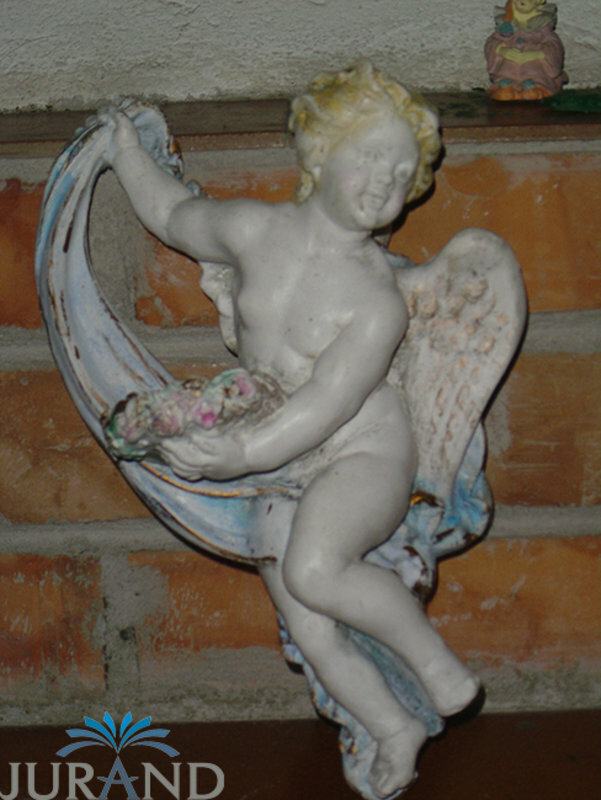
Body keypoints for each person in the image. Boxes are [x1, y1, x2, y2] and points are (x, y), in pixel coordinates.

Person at [103, 61, 480, 797]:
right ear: (319, 151)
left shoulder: (376, 299)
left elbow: (329, 402)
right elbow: (174, 215)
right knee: (309, 625)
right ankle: (391, 726)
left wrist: (242, 452)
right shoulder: (252, 230)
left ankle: (440, 670)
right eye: (371, 158)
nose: (385, 182)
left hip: (361, 450)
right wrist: (124, 153)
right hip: (280, 449)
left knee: (314, 571)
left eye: (402, 172)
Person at [485, 0, 567, 100]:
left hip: (535, 71)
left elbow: (554, 46)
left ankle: (535, 88)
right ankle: (506, 88)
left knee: (534, 84)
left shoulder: (543, 28)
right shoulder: (505, 26)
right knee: (504, 90)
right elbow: (492, 42)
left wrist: (537, 54)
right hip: (507, 69)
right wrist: (502, 51)